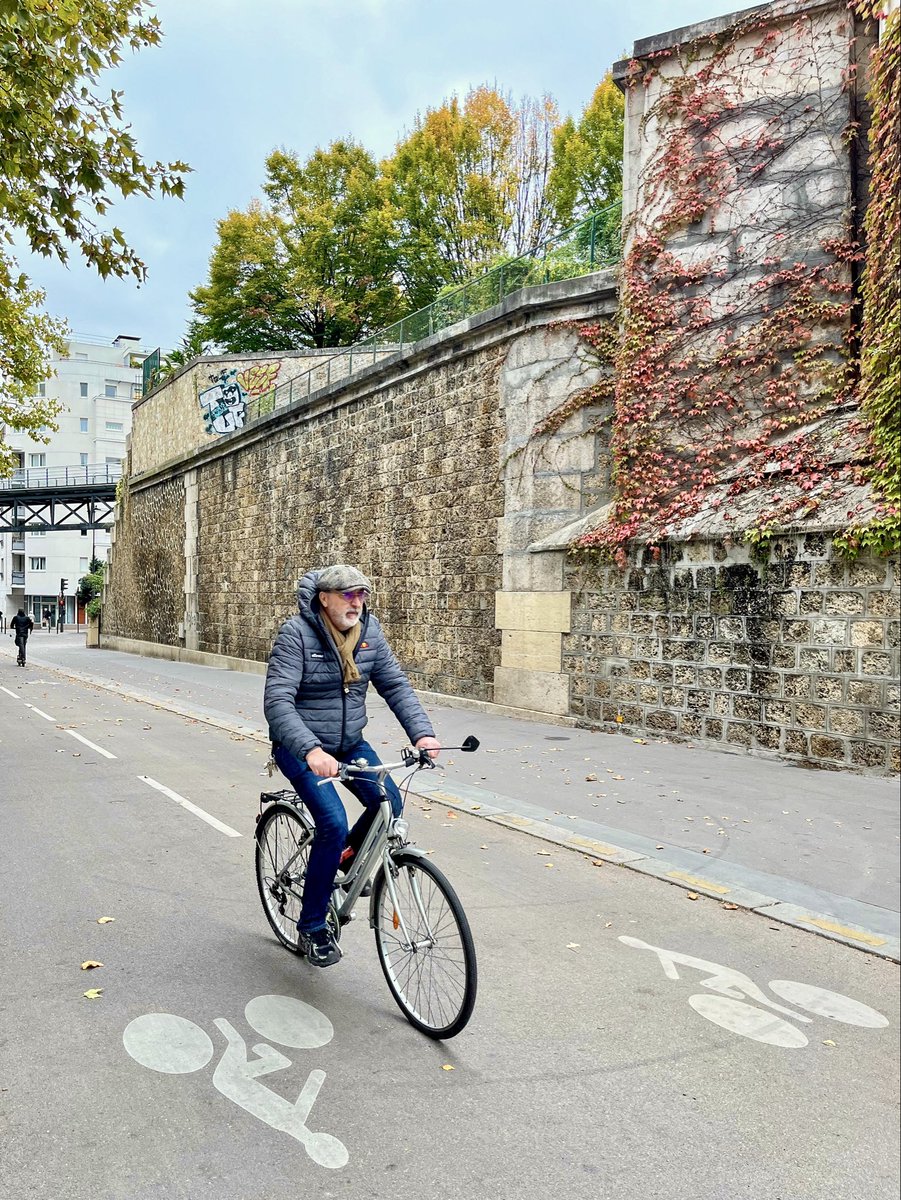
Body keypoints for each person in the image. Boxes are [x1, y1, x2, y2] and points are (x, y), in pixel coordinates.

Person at [263, 565, 440, 968]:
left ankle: (342, 859)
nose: (356, 602)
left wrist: (423, 734)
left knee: (389, 802)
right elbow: (277, 702)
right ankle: (311, 926)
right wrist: (310, 750)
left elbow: (394, 684)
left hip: (348, 743)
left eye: (361, 594)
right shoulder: (296, 635)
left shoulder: (370, 633)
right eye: (347, 594)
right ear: (324, 598)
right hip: (302, 746)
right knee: (332, 822)